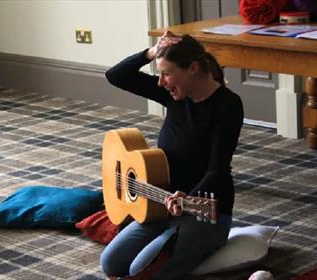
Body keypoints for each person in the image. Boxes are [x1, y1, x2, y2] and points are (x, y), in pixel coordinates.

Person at [100, 32, 244, 279]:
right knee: (111, 263)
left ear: (193, 68)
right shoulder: (174, 96)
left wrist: (187, 197)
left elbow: (217, 170)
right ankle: (172, 240)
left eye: (166, 73)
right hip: (160, 205)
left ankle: (196, 243)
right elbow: (116, 75)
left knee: (141, 271)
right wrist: (151, 52)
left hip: (205, 210)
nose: (161, 82)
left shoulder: (228, 105)